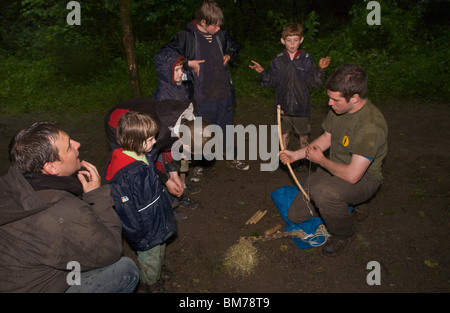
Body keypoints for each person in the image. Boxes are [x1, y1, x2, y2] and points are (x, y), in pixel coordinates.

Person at [0, 122, 139, 293]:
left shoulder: (10, 184)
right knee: (125, 270)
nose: (77, 144)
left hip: (16, 276)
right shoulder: (60, 213)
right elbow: (111, 250)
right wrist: (96, 196)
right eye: (68, 147)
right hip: (38, 287)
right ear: (51, 168)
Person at [279, 64, 388, 257]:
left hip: (364, 178)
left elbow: (353, 175)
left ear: (354, 98)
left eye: (334, 99)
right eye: (329, 97)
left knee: (324, 193)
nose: (330, 103)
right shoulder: (339, 108)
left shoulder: (370, 127)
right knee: (295, 215)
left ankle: (344, 234)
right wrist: (297, 154)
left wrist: (320, 161)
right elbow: (327, 138)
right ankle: (353, 203)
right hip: (335, 170)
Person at [158, 0, 249, 171]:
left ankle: (231, 156)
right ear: (202, 22)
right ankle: (199, 164)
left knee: (226, 127)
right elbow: (164, 56)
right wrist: (188, 63)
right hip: (201, 96)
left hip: (223, 93)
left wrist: (229, 55)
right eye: (215, 25)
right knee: (202, 132)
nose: (219, 28)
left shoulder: (220, 35)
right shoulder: (186, 36)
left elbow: (235, 45)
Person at [103, 112, 177, 293]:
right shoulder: (125, 174)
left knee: (159, 249)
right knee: (149, 255)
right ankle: (150, 283)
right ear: (133, 142)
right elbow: (125, 208)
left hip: (155, 216)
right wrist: (137, 233)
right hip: (144, 225)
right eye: (150, 139)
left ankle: (156, 271)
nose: (154, 142)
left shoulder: (143, 155)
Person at [250, 22, 331, 171]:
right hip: (283, 107)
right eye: (288, 40)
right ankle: (284, 161)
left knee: (303, 137)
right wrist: (262, 72)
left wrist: (321, 69)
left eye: (295, 40)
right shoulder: (278, 60)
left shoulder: (306, 59)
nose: (292, 44)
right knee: (283, 135)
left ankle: (303, 162)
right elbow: (271, 82)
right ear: (283, 41)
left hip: (301, 106)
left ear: (301, 40)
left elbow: (314, 83)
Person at [104, 98, 208, 210]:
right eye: (190, 152)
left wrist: (174, 173)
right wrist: (166, 181)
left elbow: (173, 146)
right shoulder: (158, 137)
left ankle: (168, 201)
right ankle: (156, 205)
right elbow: (149, 164)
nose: (186, 156)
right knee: (142, 171)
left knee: (159, 161)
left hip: (144, 119)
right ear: (185, 144)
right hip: (118, 124)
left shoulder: (190, 122)